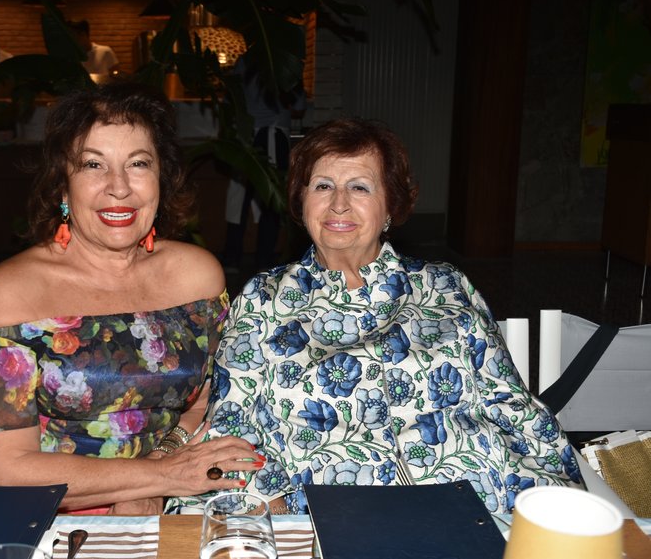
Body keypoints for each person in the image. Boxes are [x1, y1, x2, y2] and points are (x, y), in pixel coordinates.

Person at [170, 118, 584, 515]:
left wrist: (548, 497)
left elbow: (507, 403)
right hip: (327, 517)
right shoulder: (263, 299)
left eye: (360, 187)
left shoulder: (445, 285)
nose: (339, 203)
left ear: (390, 207)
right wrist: (275, 512)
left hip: (475, 502)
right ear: (301, 201)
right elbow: (233, 425)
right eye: (323, 186)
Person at [0, 83, 261, 514]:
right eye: (92, 165)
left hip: (160, 490)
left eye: (138, 163)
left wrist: (157, 471)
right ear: (63, 188)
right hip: (21, 508)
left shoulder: (196, 277)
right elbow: (2, 471)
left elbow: (207, 399)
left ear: (160, 180)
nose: (119, 187)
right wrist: (158, 477)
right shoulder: (13, 292)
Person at [222, 56, 306, 273]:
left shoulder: (243, 62)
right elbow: (299, 106)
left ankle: (232, 258)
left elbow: (230, 100)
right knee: (271, 199)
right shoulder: (285, 61)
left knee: (239, 198)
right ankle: (264, 259)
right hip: (272, 134)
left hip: (245, 136)